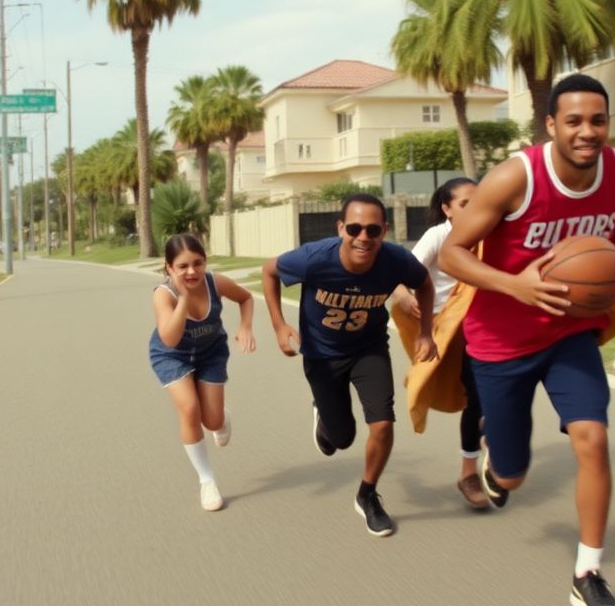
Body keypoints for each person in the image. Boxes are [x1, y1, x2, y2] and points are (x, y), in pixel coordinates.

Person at [439, 73, 615, 606]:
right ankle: (497, 465)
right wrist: (516, 285)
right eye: (575, 121)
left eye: (598, 120)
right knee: (512, 477)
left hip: (568, 335)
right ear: (551, 125)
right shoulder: (514, 178)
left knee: (594, 437)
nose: (588, 132)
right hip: (500, 341)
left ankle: (589, 576)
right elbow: (454, 254)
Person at [262, 193, 438, 537]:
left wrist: (426, 333)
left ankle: (367, 495)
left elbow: (425, 285)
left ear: (384, 231)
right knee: (342, 438)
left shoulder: (395, 260)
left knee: (383, 423)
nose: (363, 237)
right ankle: (324, 414)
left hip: (368, 349)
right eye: (354, 228)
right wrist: (279, 326)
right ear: (341, 227)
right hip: (322, 355)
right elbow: (269, 271)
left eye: (373, 230)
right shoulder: (314, 258)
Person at [392, 177, 489, 509]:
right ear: (447, 209)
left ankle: (474, 468)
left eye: (479, 202)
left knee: (483, 397)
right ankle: (472, 469)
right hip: (444, 329)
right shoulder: (437, 236)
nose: (475, 209)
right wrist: (404, 297)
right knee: (473, 397)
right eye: (465, 204)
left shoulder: (489, 237)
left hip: (482, 328)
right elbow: (403, 276)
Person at [148, 233, 256, 512]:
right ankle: (207, 480)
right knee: (189, 409)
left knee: (212, 420)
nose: (192, 271)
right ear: (169, 267)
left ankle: (220, 417)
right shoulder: (164, 295)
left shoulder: (215, 283)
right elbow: (170, 339)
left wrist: (245, 327)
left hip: (211, 353)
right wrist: (183, 299)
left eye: (198, 263)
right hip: (172, 356)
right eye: (182, 266)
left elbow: (246, 298)